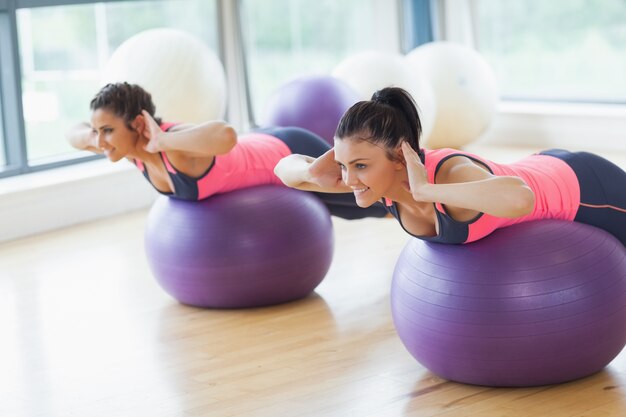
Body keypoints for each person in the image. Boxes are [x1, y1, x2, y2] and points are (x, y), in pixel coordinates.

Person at [274, 87, 626, 245]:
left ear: (399, 158)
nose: (349, 179)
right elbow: (283, 170)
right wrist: (316, 171)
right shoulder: (375, 182)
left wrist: (427, 191)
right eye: (344, 164)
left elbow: (522, 197)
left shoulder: (452, 177)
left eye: (360, 165)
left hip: (585, 188)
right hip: (542, 165)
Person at [66, 82, 387, 220]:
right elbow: (73, 134)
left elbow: (226, 135)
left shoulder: (174, 143)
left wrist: (163, 142)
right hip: (263, 146)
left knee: (381, 203)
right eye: (98, 130)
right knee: (345, 211)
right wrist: (94, 137)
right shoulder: (128, 149)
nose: (101, 140)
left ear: (137, 124)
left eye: (108, 131)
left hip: (288, 151)